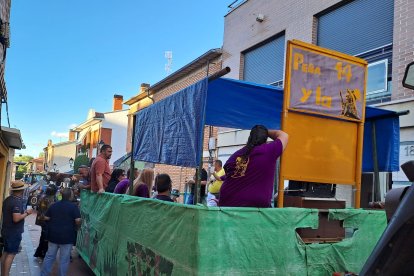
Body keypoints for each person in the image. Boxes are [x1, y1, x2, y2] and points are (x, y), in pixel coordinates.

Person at [219, 125, 288, 208]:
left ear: (249, 138)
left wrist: (256, 131)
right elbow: (284, 135)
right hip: (252, 208)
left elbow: (229, 175)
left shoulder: (235, 155)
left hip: (226, 204)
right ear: (265, 139)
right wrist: (265, 131)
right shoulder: (268, 151)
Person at [40, 188, 81, 276]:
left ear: (61, 195)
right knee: (64, 259)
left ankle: (43, 274)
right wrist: (77, 226)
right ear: (70, 196)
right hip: (67, 236)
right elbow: (78, 220)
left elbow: (46, 218)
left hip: (53, 235)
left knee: (50, 256)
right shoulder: (74, 207)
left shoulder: (53, 205)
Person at [1, 181, 33, 276]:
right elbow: (16, 218)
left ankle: (3, 273)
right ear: (21, 190)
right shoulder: (16, 202)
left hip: (6, 230)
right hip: (13, 232)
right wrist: (27, 213)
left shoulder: (7, 199)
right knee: (11, 254)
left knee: (6, 253)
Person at [34, 184, 57, 259]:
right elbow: (52, 211)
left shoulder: (42, 196)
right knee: (45, 238)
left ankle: (39, 252)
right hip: (46, 220)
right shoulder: (50, 199)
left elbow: (37, 206)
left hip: (42, 219)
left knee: (43, 236)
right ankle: (43, 253)